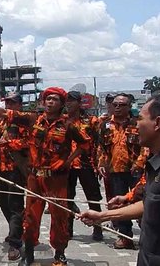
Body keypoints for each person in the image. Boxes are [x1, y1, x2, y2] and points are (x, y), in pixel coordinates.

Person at [0, 87, 90, 266]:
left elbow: (84, 143)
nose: (50, 102)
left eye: (55, 100)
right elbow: (5, 113)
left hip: (56, 179)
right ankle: (29, 252)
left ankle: (59, 253)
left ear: (61, 104)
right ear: (43, 101)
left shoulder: (68, 125)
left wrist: (68, 161)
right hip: (34, 178)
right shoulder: (33, 119)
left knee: (59, 218)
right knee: (31, 217)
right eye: (48, 99)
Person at [80, 93, 160, 265]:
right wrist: (103, 216)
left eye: (140, 118)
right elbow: (149, 204)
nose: (136, 124)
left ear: (158, 123)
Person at [97, 93, 144, 249]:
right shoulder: (105, 125)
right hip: (115, 170)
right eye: (115, 104)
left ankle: (148, 236)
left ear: (129, 107)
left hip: (136, 171)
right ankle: (125, 237)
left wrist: (139, 163)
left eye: (121, 105)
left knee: (141, 202)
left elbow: (147, 146)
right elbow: (102, 147)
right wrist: (102, 163)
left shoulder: (138, 124)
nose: (117, 107)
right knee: (120, 205)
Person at [0, 92, 29, 260]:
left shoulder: (24, 122)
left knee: (15, 206)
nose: (9, 106)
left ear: (19, 105)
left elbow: (29, 142)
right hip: (2, 169)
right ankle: (17, 230)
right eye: (7, 103)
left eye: (13, 103)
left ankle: (15, 243)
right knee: (3, 203)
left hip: (17, 169)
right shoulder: (0, 123)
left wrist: (8, 143)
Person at [64, 91, 103, 241]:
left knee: (93, 198)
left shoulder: (91, 121)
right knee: (67, 198)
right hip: (67, 165)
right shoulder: (63, 121)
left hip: (86, 164)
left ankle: (98, 228)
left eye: (72, 101)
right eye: (67, 101)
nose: (69, 104)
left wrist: (100, 161)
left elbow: (99, 143)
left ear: (79, 103)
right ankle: (68, 229)